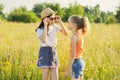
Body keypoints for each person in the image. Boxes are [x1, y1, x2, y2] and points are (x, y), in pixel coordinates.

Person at [36, 7, 67, 80]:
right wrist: (46, 25)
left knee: (55, 76)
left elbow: (66, 33)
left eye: (54, 18)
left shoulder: (54, 26)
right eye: (51, 18)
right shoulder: (39, 29)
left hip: (53, 50)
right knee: (45, 74)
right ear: (45, 19)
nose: (53, 20)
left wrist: (60, 22)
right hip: (44, 51)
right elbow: (44, 40)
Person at [65, 15, 90, 80]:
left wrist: (68, 70)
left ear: (74, 24)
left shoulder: (74, 37)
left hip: (76, 63)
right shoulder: (79, 36)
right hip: (80, 61)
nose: (67, 24)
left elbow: (73, 55)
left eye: (69, 22)